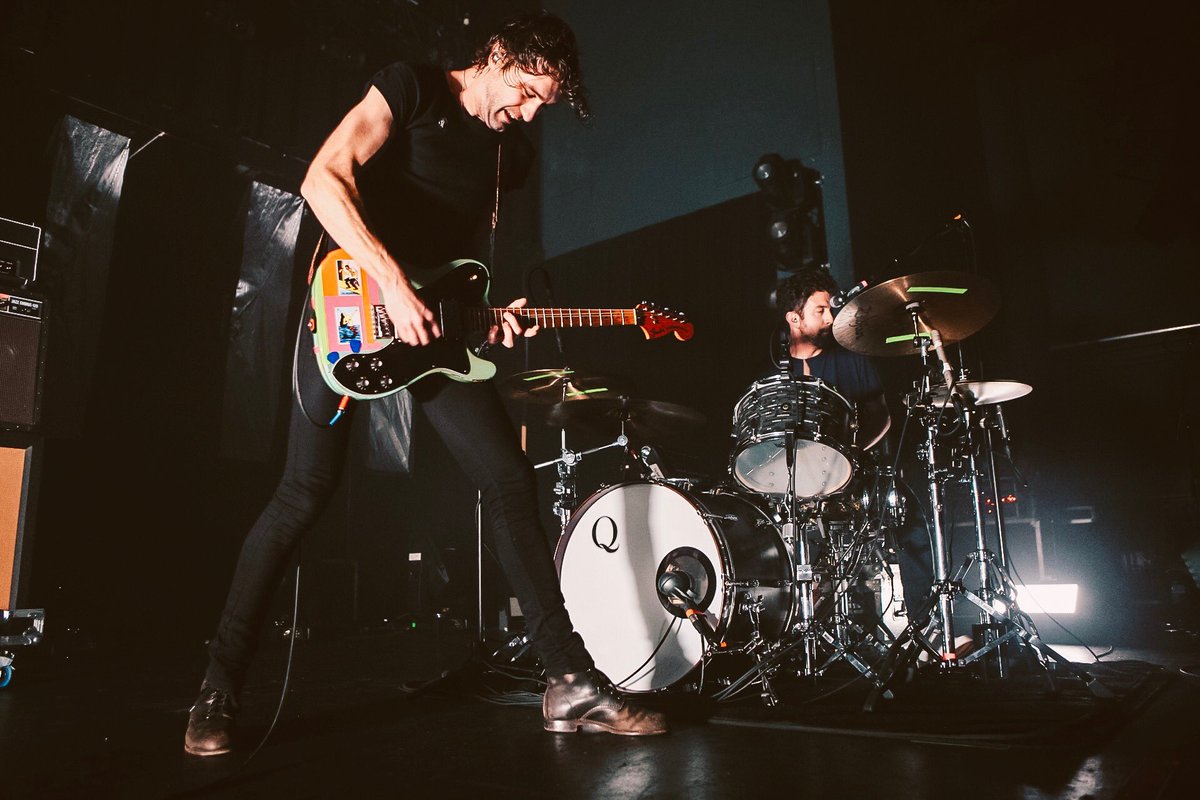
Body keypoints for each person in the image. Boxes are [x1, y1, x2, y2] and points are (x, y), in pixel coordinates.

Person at [184, 12, 667, 757]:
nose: (531, 112)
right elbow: (324, 177)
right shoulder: (411, 89)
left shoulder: (503, 156)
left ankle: (569, 680)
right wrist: (393, 283)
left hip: (433, 335)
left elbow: (457, 269)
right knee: (300, 496)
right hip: (349, 309)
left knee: (509, 479)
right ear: (499, 54)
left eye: (544, 103)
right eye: (528, 91)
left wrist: (489, 320)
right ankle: (218, 689)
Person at [773, 269, 933, 622]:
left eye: (831, 309)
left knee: (910, 520)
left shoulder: (851, 357)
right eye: (820, 311)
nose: (831, 318)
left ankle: (928, 626)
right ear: (793, 318)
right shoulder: (774, 366)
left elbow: (882, 416)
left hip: (852, 472)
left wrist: (853, 455)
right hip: (792, 483)